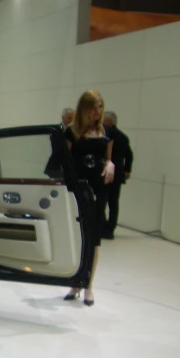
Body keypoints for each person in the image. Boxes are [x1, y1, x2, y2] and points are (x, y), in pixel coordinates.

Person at [63, 90, 115, 306]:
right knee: (77, 238)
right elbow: (65, 163)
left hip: (98, 191)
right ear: (84, 108)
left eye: (100, 106)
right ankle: (75, 281)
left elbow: (108, 161)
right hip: (77, 191)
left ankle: (88, 286)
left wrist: (110, 164)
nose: (98, 111)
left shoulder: (106, 133)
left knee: (93, 240)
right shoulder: (71, 133)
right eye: (94, 107)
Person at [102, 111, 133, 239]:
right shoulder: (123, 137)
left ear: (111, 122)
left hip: (106, 171)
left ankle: (102, 226)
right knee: (113, 202)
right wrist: (127, 170)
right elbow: (129, 155)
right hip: (118, 172)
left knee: (102, 199)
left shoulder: (105, 135)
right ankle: (110, 228)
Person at [44, 107, 75, 178]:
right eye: (69, 118)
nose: (72, 121)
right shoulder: (55, 130)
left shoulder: (77, 132)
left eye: (74, 119)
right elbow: (57, 148)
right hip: (57, 166)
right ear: (63, 118)